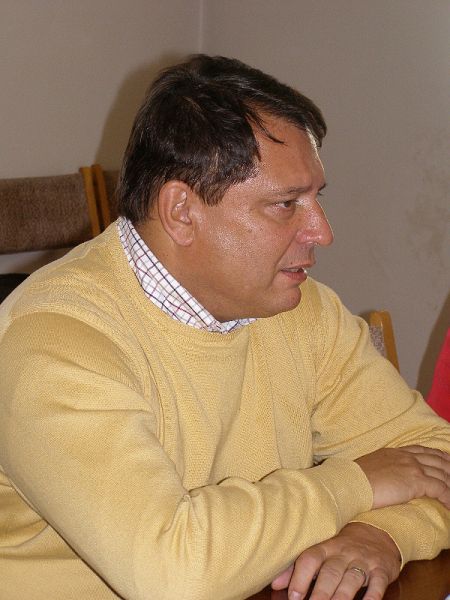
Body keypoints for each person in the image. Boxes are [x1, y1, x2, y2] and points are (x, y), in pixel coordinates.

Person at [0, 54, 449, 600]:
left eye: (317, 198)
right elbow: (172, 574)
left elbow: (434, 455)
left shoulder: (302, 311)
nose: (322, 232)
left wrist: (382, 533)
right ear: (181, 212)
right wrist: (357, 484)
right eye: (286, 204)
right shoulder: (53, 342)